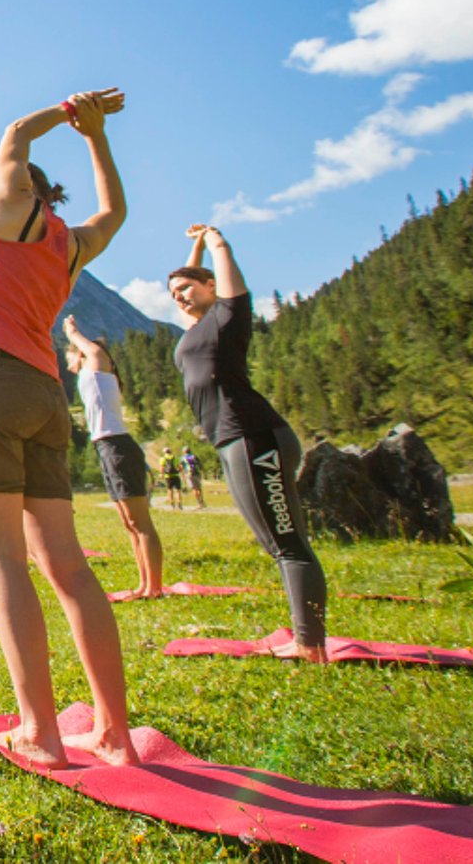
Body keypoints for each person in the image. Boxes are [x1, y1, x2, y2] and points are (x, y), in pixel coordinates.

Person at [0, 88, 137, 768]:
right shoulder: (69, 245)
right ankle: (115, 731)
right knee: (68, 563)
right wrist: (96, 136)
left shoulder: (10, 208)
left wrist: (71, 109)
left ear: (19, 186)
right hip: (46, 395)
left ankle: (41, 731)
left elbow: (17, 130)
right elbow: (115, 213)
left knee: (2, 562)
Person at [171, 225, 329, 663]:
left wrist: (215, 241)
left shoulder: (229, 314)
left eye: (187, 288)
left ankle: (311, 645)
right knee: (276, 543)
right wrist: (194, 249)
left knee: (288, 544)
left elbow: (221, 276)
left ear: (211, 286)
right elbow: (189, 282)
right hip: (232, 440)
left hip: (255, 436)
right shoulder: (196, 329)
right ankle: (307, 637)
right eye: (173, 293)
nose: (180, 297)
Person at [63, 316, 162, 598]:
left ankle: (154, 587)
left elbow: (95, 352)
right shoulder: (87, 377)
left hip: (118, 445)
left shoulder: (97, 370)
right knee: (129, 523)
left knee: (140, 522)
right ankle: (144, 584)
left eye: (69, 350)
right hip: (105, 446)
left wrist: (73, 332)